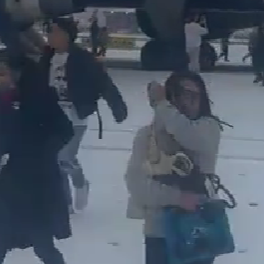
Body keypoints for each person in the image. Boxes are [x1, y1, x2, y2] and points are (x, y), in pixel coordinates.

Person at [0, 49, 73, 264]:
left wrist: (43, 153)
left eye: (2, 73)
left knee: (42, 243)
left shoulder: (39, 99)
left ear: (17, 73)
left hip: (34, 185)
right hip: (1, 183)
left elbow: (64, 130)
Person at [125, 71, 224, 264]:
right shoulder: (147, 136)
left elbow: (188, 136)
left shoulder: (208, 127)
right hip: (159, 231)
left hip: (198, 227)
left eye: (196, 96)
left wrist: (162, 106)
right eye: (183, 95)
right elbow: (136, 183)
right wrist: (176, 198)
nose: (190, 102)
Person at [41, 17, 128, 213]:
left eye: (54, 31)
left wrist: (117, 106)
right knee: (55, 159)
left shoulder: (82, 58)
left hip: (76, 116)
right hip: (52, 116)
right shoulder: (46, 58)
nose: (49, 36)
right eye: (48, 32)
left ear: (66, 35)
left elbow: (103, 81)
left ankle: (81, 184)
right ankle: (65, 203)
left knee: (64, 157)